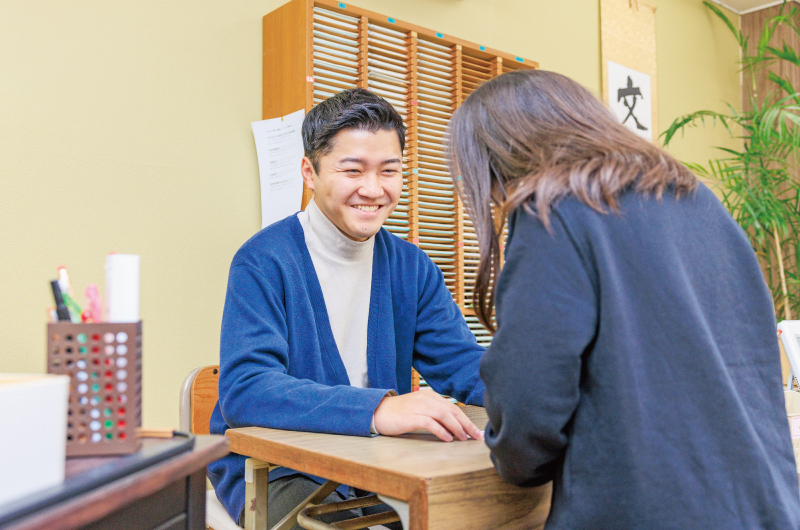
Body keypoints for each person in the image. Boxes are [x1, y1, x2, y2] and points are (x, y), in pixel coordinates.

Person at [447, 69, 800, 529]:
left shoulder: (553, 209)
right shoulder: (696, 199)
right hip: (765, 502)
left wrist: (515, 459)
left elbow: (529, 397)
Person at [208, 88, 485, 528]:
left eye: (389, 171)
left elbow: (466, 366)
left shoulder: (411, 266)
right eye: (352, 169)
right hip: (278, 466)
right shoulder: (263, 259)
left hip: (374, 461)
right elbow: (246, 390)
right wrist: (378, 409)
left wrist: (543, 398)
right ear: (309, 172)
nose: (373, 190)